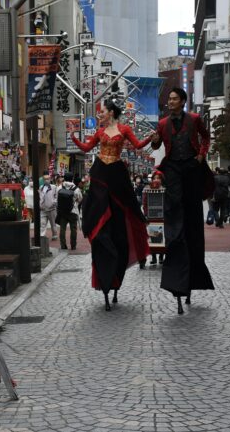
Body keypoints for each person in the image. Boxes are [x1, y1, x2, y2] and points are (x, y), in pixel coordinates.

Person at [71, 99, 149, 311]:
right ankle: (93, 226)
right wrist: (74, 139)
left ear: (112, 112)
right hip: (100, 172)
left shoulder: (124, 129)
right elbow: (88, 147)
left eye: (102, 111)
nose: (100, 115)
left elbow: (138, 145)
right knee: (96, 209)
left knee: (125, 211)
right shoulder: (99, 131)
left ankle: (116, 269)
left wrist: (151, 136)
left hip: (116, 174)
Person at [142, 87, 214, 314]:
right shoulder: (163, 124)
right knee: (174, 212)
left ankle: (193, 267)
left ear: (182, 101)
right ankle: (174, 237)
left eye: (174, 99)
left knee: (192, 216)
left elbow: (206, 137)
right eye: (169, 99)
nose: (170, 102)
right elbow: (155, 146)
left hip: (192, 167)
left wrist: (201, 154)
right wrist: (154, 141)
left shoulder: (194, 119)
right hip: (172, 168)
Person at [56, 172, 83, 250]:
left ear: (64, 178)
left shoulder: (60, 187)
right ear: (72, 179)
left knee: (62, 229)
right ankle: (73, 245)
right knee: (73, 229)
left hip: (62, 211)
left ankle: (63, 245)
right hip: (73, 211)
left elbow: (57, 198)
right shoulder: (76, 189)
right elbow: (80, 199)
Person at [40, 174, 58, 241]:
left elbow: (56, 196)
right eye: (45, 179)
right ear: (43, 180)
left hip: (51, 209)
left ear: (50, 179)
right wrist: (40, 205)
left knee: (53, 223)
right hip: (43, 209)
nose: (46, 180)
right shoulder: (41, 187)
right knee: (42, 223)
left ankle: (54, 234)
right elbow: (40, 197)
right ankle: (42, 235)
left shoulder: (53, 187)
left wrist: (54, 202)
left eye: (48, 179)